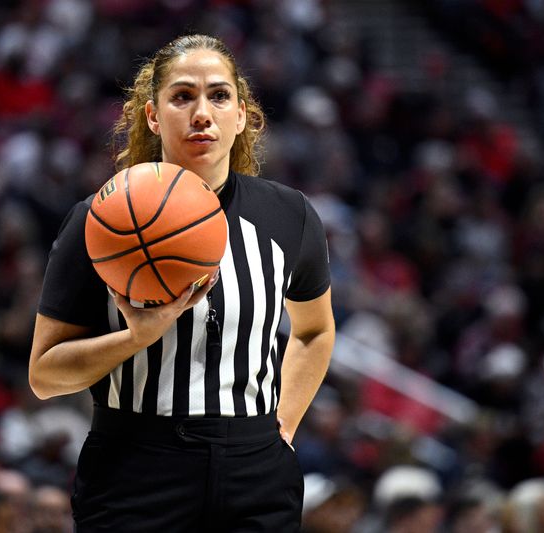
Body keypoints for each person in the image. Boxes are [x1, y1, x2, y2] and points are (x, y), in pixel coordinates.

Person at [28, 33, 335, 532]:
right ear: (152, 116)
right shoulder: (100, 219)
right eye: (182, 96)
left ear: (241, 116)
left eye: (219, 95)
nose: (201, 113)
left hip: (256, 466)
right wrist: (136, 337)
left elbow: (314, 331)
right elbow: (44, 375)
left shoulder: (289, 215)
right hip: (135, 464)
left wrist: (284, 426)